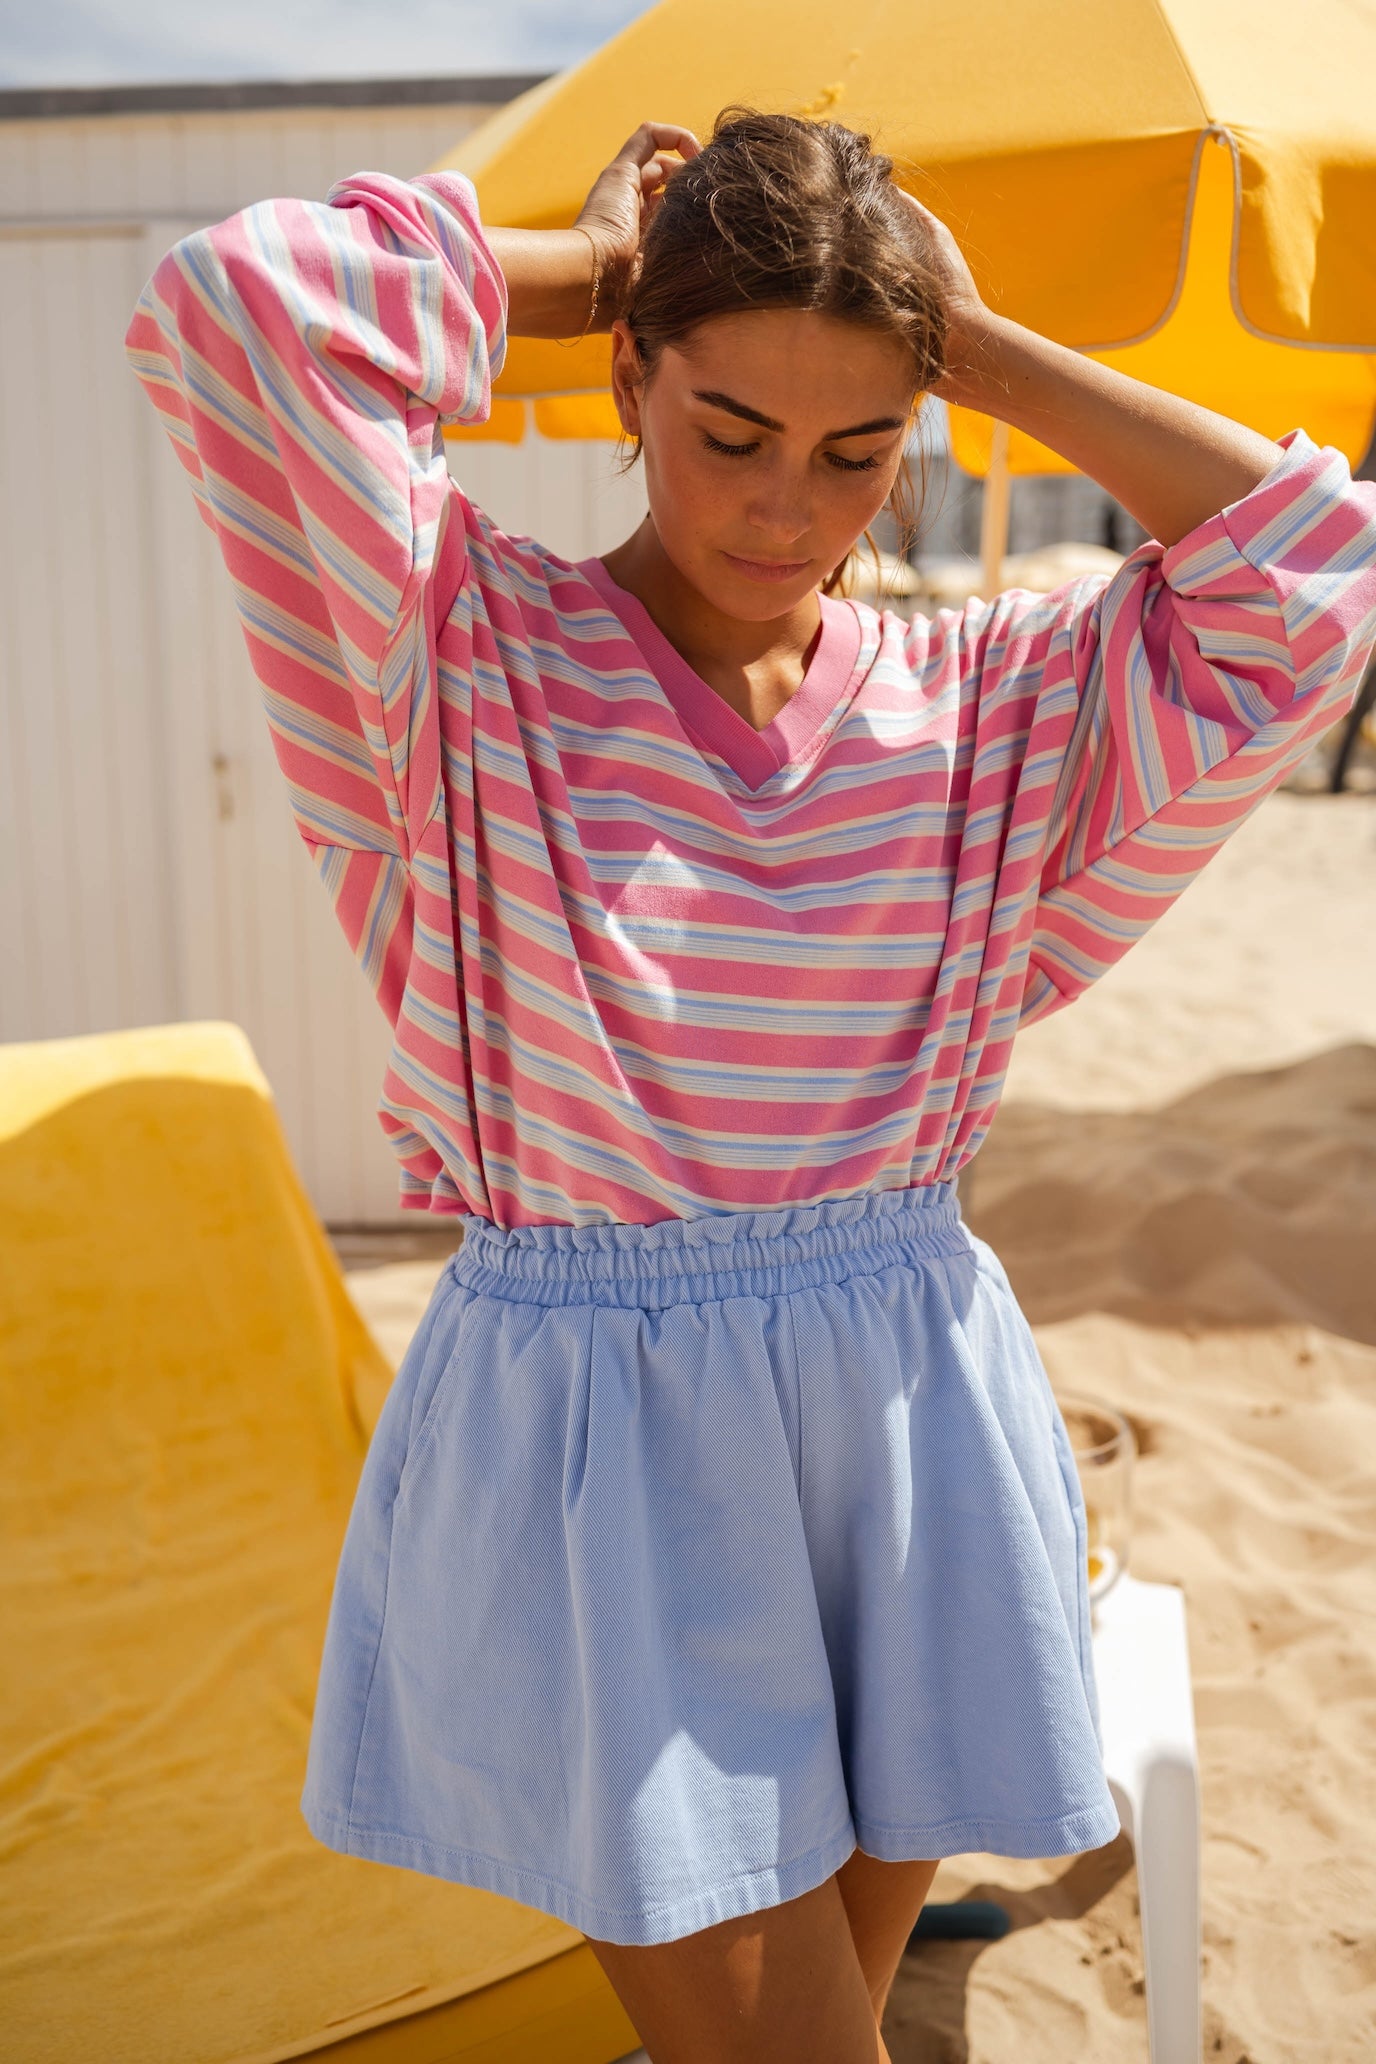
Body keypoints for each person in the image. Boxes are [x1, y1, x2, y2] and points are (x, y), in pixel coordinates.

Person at [124, 105, 1376, 2064]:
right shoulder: (453, 659)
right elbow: (245, 315)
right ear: (631, 378)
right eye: (728, 431)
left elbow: (1314, 577)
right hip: (603, 1449)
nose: (786, 504)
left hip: (911, 1421)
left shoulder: (983, 709)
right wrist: (590, 271)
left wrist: (972, 343)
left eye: (857, 448)